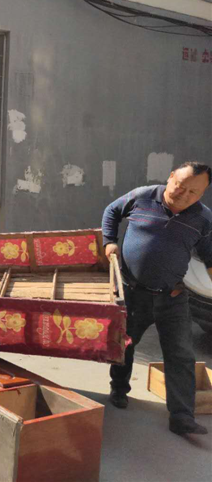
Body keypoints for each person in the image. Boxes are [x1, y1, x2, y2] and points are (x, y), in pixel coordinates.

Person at [102, 161, 212, 436]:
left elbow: (210, 256)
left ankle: (182, 416)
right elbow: (112, 211)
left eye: (194, 192)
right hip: (133, 293)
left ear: (202, 194)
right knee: (125, 345)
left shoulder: (202, 218)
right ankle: (119, 389)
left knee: (180, 354)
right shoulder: (142, 196)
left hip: (173, 296)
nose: (184, 195)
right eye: (180, 186)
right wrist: (109, 240)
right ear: (171, 177)